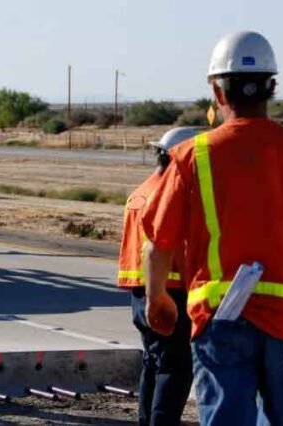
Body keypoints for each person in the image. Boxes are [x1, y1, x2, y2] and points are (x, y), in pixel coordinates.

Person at [142, 31, 283, 425]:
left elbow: (158, 242)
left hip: (221, 320)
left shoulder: (192, 156)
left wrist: (157, 299)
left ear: (218, 93)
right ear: (271, 88)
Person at [117, 127, 199, 426]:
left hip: (140, 293)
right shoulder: (170, 197)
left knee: (154, 363)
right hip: (168, 292)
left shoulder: (140, 191)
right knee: (176, 368)